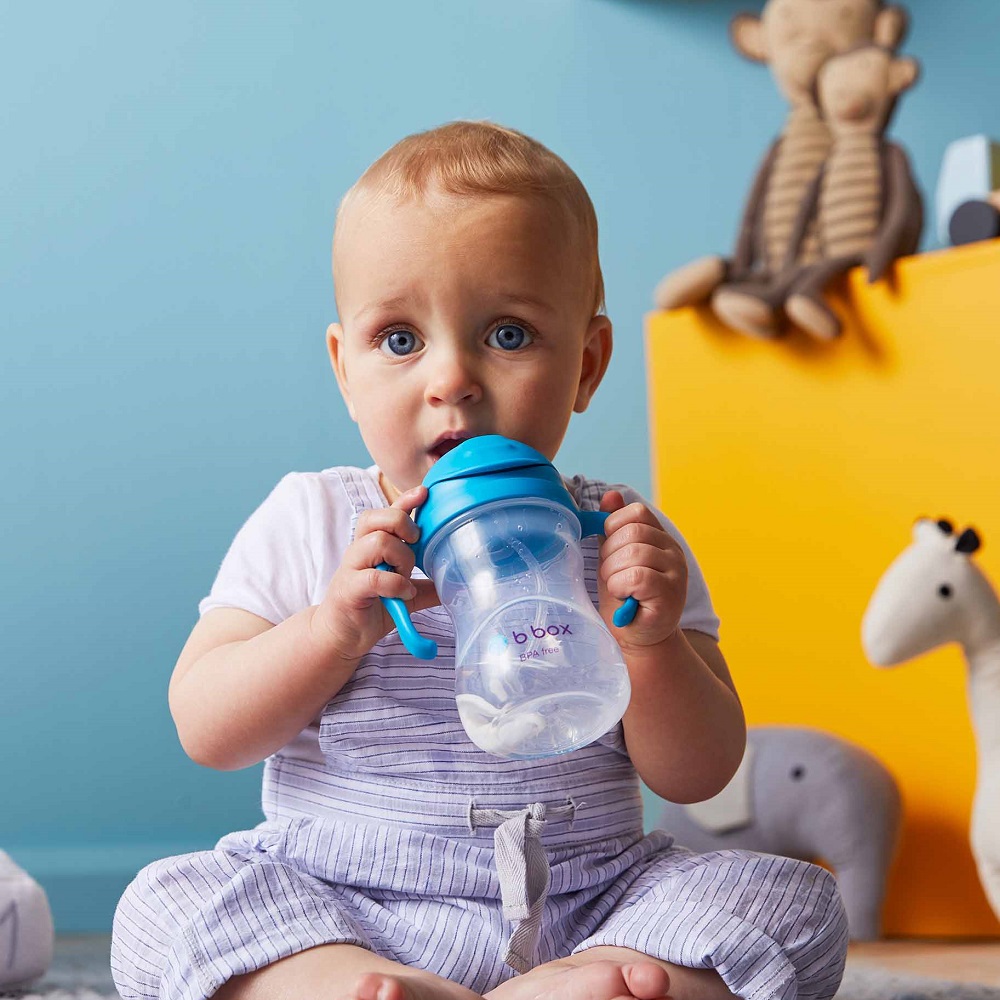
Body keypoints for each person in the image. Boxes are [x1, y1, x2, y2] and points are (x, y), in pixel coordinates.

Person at [111, 121, 848, 1000]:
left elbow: (699, 772)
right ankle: (358, 984)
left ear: (587, 362)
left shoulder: (622, 539)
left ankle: (567, 985)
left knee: (788, 903)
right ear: (345, 370)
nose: (451, 379)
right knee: (165, 905)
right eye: (398, 339)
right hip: (345, 908)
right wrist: (331, 629)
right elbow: (206, 726)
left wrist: (650, 648)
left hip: (589, 905)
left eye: (506, 334)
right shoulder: (312, 518)